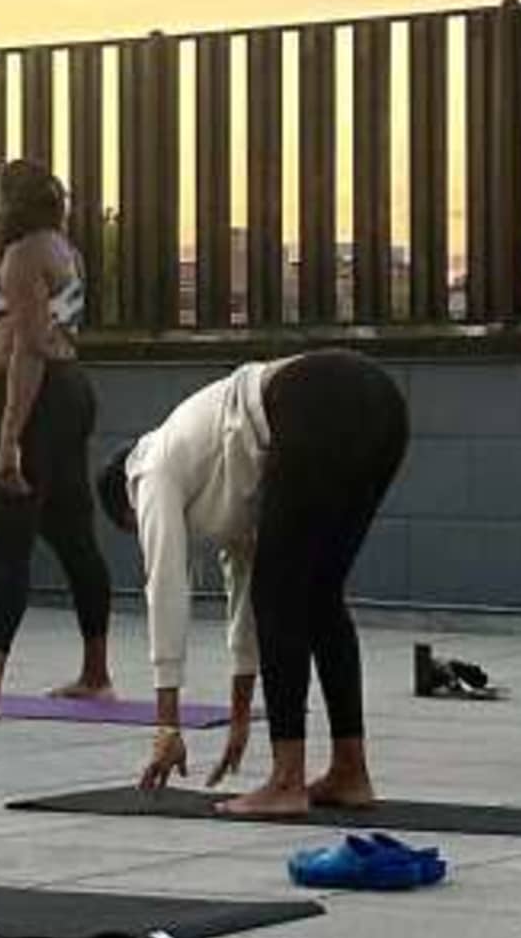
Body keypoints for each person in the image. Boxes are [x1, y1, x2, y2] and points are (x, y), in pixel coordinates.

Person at [103, 348, 414, 823]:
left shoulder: (149, 470)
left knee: (283, 595)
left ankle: (287, 783)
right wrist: (241, 716)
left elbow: (165, 589)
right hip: (382, 402)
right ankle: (351, 771)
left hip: (316, 396)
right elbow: (242, 598)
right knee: (318, 595)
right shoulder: (215, 472)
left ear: (127, 509)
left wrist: (166, 725)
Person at [0, 160, 114, 715]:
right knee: (73, 534)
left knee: (7, 546)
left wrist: (9, 438)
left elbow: (29, 347)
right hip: (71, 395)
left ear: (8, 202)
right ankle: (96, 674)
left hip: (36, 402)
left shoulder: (22, 257)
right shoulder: (65, 250)